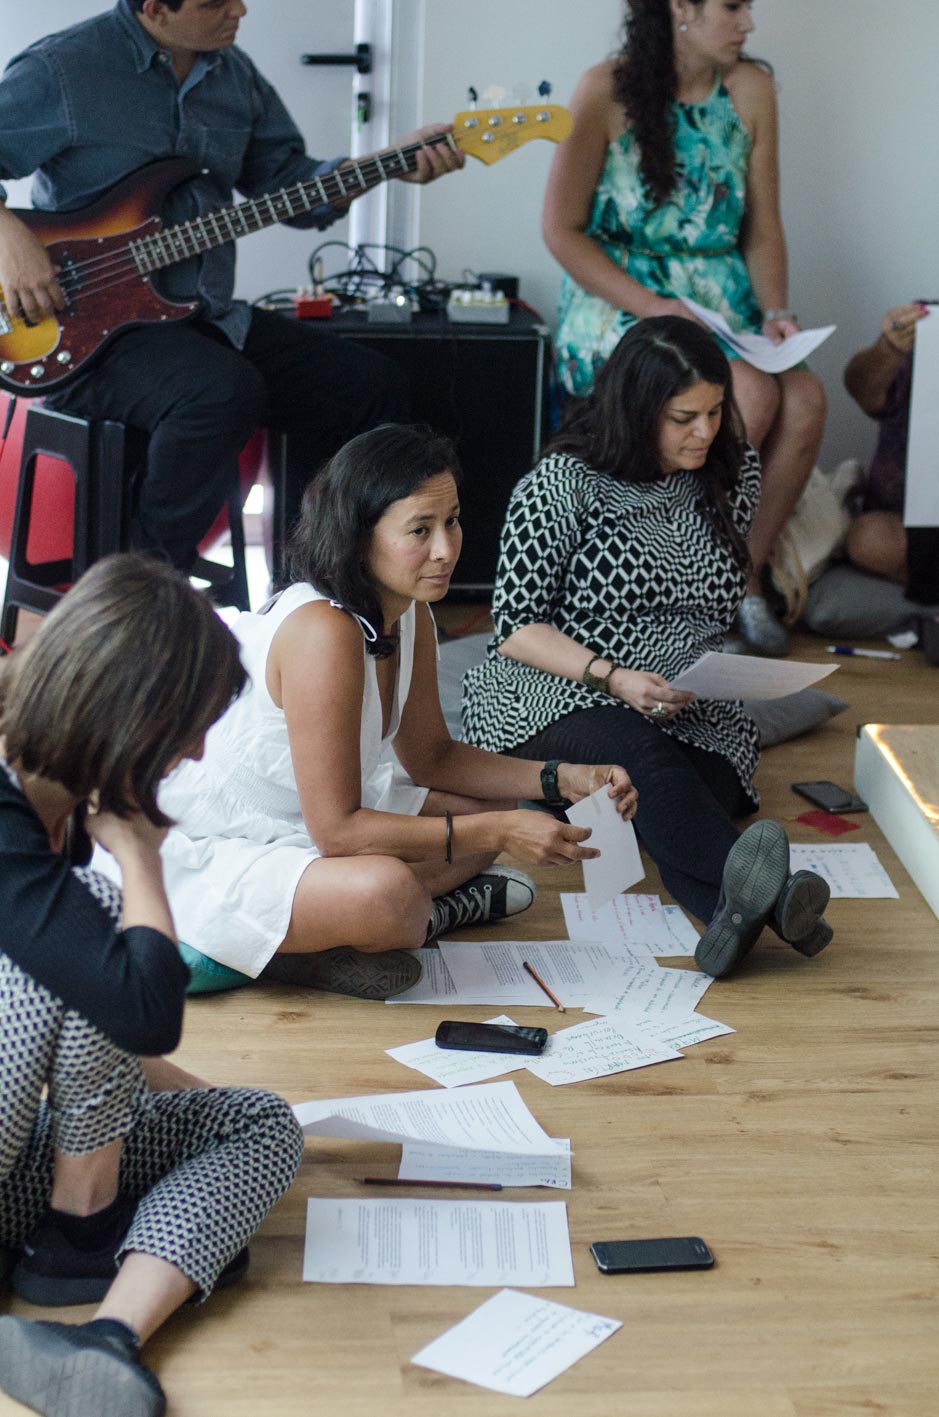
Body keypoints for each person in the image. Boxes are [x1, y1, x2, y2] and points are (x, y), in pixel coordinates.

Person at [147, 422, 638, 998]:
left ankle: (350, 931)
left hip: (317, 819)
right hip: (233, 834)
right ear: (359, 536)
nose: (446, 549)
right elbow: (337, 832)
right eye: (420, 530)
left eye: (452, 521)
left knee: (496, 806)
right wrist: (500, 831)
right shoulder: (323, 631)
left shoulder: (409, 611)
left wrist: (561, 778)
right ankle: (392, 923)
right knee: (391, 892)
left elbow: (432, 756)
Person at [0, 0, 464, 571]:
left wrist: (386, 164)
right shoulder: (64, 68)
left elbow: (292, 186)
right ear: (155, 8)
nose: (240, 9)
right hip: (84, 333)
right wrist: (9, 239)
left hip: (203, 317)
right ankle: (143, 588)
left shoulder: (233, 74)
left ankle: (311, 578)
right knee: (221, 391)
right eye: (215, 1)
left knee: (369, 386)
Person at [0, 554, 304, 1417]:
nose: (198, 750)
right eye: (188, 727)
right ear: (126, 713)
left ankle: (108, 1331)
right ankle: (88, 1227)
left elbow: (117, 1020)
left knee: (260, 1123)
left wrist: (196, 1106)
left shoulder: (52, 794)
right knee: (109, 920)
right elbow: (142, 1010)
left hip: (18, 1158)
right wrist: (138, 857)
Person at [462, 317, 832, 978]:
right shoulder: (562, 484)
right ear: (636, 411)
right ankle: (777, 902)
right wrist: (614, 677)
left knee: (699, 794)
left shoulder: (729, 471)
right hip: (563, 685)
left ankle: (729, 917)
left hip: (682, 694)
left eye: (715, 411)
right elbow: (516, 626)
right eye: (684, 418)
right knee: (645, 771)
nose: (705, 431)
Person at [541, 0, 827, 655]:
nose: (748, 23)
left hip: (722, 301)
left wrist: (777, 313)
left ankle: (738, 577)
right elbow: (561, 230)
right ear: (680, 7)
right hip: (622, 299)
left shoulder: (751, 89)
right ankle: (676, 586)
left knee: (807, 398)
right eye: (732, 6)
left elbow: (762, 227)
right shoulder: (603, 89)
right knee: (748, 393)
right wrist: (653, 305)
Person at [843, 302, 939, 603]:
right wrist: (890, 348)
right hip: (913, 524)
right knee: (868, 539)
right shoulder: (925, 324)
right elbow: (862, 391)